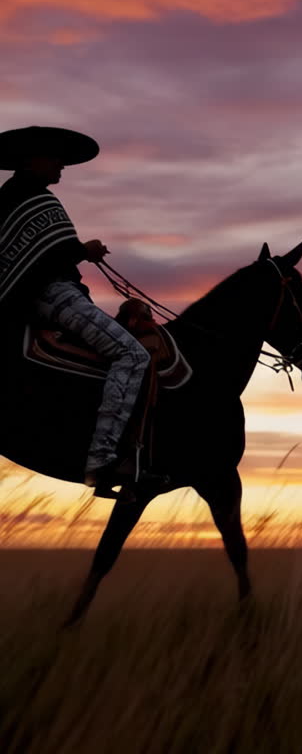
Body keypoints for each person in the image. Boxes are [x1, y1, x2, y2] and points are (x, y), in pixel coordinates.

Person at [0, 125, 150, 497]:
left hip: (41, 296)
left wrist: (79, 251)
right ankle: (102, 459)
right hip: (53, 296)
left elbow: (41, 253)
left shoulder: (14, 196)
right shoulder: (31, 197)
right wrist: (85, 250)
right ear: (32, 160)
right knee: (132, 354)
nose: (61, 166)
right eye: (55, 158)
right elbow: (50, 257)